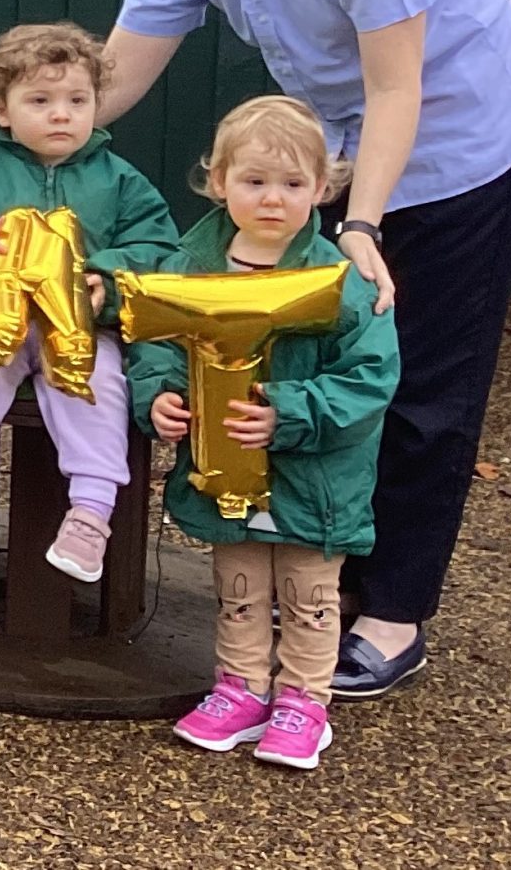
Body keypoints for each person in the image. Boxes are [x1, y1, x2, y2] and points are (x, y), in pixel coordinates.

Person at [99, 0, 511, 697]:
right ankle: (330, 577)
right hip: (340, 155)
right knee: (328, 372)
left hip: (463, 136)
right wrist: (10, 134)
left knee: (423, 384)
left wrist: (360, 226)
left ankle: (392, 616)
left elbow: (398, 87)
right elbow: (113, 73)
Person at [136, 96, 398, 772]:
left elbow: (371, 376)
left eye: (292, 184)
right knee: (240, 584)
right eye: (254, 182)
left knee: (309, 592)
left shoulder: (343, 280)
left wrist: (290, 410)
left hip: (315, 479)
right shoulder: (192, 265)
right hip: (226, 471)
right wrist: (159, 395)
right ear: (219, 182)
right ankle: (242, 687)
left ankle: (305, 700)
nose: (273, 200)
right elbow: (160, 345)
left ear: (322, 187)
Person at [0, 22, 181, 583]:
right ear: (2, 110)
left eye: (77, 101)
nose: (61, 114)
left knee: (99, 388)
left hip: (81, 327)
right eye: (41, 100)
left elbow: (160, 249)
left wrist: (110, 280)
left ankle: (91, 512)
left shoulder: (120, 180)